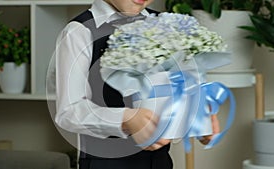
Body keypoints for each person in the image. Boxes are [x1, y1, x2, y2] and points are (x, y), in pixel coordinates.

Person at [54, 0, 219, 169]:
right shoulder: (80, 32)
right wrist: (125, 119)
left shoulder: (165, 23)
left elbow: (177, 89)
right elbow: (69, 112)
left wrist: (197, 120)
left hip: (160, 162)